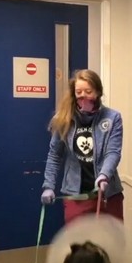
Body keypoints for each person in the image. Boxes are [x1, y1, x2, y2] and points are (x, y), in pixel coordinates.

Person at [41, 69, 124, 224]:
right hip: (76, 197)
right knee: (79, 245)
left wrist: (104, 175)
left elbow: (113, 152)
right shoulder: (63, 118)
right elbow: (54, 155)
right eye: (79, 92)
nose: (83, 96)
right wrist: (48, 185)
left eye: (88, 91)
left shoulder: (113, 118)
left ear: (98, 92)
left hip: (107, 196)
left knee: (111, 245)